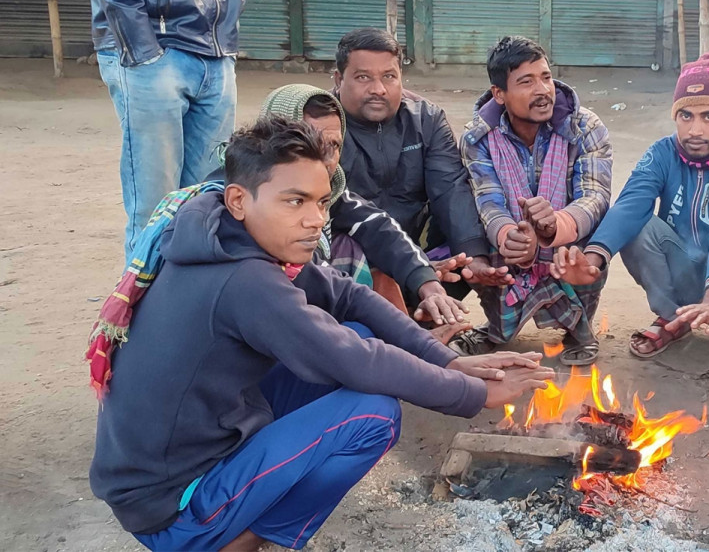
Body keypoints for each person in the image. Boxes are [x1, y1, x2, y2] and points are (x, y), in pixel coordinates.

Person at [87, 118, 553, 552]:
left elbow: (348, 298)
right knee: (372, 414)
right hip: (172, 509)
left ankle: (243, 510)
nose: (314, 219)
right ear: (238, 199)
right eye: (295, 201)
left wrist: (447, 361)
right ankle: (242, 540)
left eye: (321, 202)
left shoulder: (218, 228)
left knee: (351, 328)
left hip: (187, 451)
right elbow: (354, 360)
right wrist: (472, 392)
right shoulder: (244, 280)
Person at [553, 53, 709, 372]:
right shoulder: (661, 153)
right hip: (682, 264)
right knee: (637, 226)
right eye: (685, 116)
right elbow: (630, 205)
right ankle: (673, 317)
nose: (695, 129)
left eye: (708, 116)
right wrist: (592, 261)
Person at [74, 0, 244, 256]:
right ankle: (143, 315)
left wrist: (229, 28)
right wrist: (142, 47)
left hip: (213, 48)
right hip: (155, 48)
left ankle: (192, 312)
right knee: (156, 214)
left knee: (209, 205)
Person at [248, 83, 470, 333]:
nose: (325, 159)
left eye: (333, 146)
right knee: (364, 334)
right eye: (309, 142)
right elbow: (318, 284)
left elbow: (378, 227)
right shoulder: (240, 202)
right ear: (272, 140)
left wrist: (427, 283)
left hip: (304, 313)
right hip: (263, 331)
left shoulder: (332, 191)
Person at [332, 28, 514, 311]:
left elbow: (450, 190)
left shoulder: (426, 118)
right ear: (338, 79)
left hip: (418, 249)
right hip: (357, 252)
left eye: (389, 77)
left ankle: (425, 317)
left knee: (474, 238)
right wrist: (414, 265)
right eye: (363, 77)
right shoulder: (323, 124)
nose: (378, 89)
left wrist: (476, 257)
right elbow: (342, 212)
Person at [459, 36, 613, 364]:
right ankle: (498, 329)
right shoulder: (479, 138)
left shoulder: (584, 127)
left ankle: (579, 328)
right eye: (526, 82)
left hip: (567, 242)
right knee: (474, 237)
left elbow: (595, 196)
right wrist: (509, 237)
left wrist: (555, 226)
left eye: (545, 77)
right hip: (509, 249)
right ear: (499, 94)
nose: (542, 90)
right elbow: (488, 201)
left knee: (596, 236)